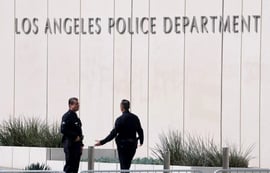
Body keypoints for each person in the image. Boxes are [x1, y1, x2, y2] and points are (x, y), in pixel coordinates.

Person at [95, 99, 144, 170]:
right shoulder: (135, 118)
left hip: (122, 146)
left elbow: (113, 133)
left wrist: (102, 142)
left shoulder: (120, 119)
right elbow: (140, 130)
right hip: (132, 145)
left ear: (121, 107)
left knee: (123, 165)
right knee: (127, 165)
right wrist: (141, 140)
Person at [61, 97, 84, 173]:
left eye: (78, 104)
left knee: (75, 167)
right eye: (76, 104)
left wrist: (81, 144)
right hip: (70, 145)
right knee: (69, 166)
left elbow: (79, 131)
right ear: (71, 105)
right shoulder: (67, 116)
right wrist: (74, 136)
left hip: (76, 146)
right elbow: (63, 129)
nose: (78, 105)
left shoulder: (75, 117)